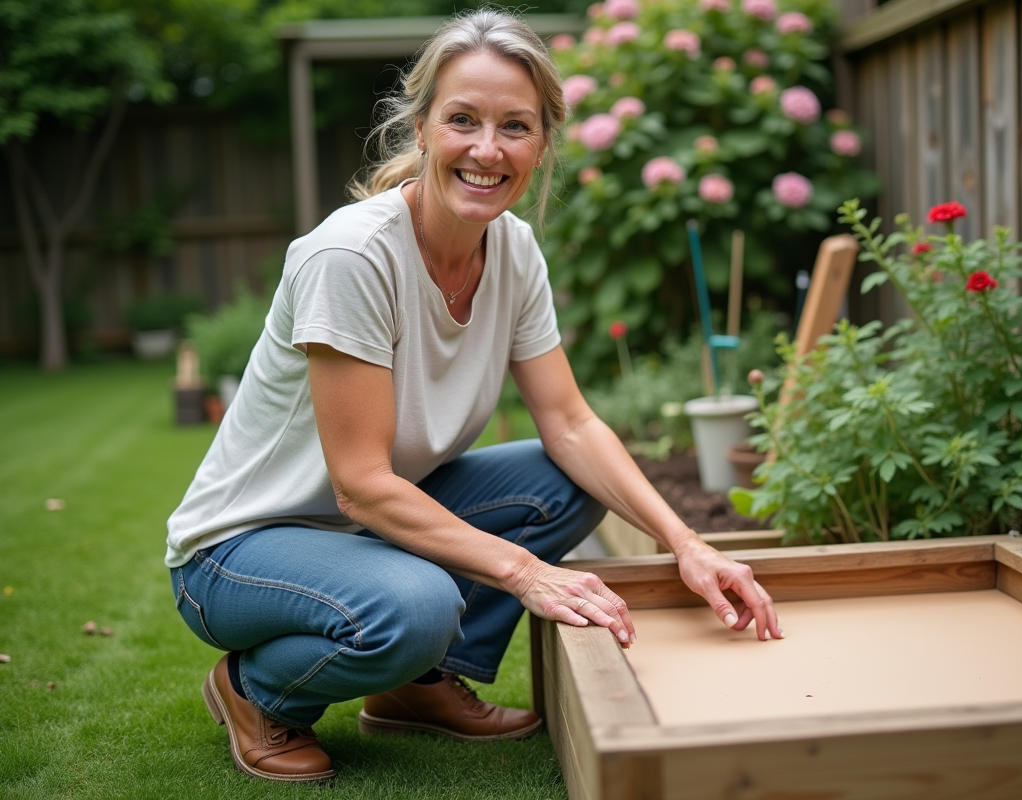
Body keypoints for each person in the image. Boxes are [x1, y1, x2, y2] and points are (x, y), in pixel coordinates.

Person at [165, 8, 781, 783]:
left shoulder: (514, 251)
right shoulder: (352, 258)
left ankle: (416, 685)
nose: (487, 150)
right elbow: (360, 487)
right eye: (463, 120)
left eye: (515, 127)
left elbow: (571, 422)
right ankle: (255, 690)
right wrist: (525, 574)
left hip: (370, 533)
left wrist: (686, 543)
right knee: (416, 605)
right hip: (241, 551)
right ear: (420, 128)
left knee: (563, 484)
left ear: (542, 144)